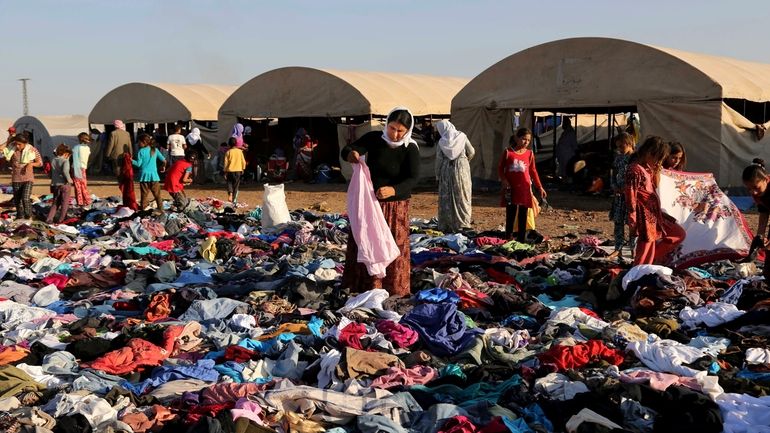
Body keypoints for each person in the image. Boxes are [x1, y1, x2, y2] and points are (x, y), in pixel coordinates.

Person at [341, 107, 420, 296]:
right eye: (392, 128)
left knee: (392, 246)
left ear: (407, 131)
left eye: (400, 130)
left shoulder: (410, 149)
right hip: (370, 205)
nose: (395, 134)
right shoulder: (375, 139)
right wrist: (351, 154)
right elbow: (349, 149)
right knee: (366, 242)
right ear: (387, 125)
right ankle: (364, 288)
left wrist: (394, 189)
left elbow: (413, 178)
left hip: (395, 208)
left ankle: (393, 290)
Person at [625, 136, 686, 265]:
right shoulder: (635, 170)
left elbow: (654, 188)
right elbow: (631, 196)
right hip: (644, 216)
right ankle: (637, 275)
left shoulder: (647, 169)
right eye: (658, 158)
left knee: (653, 247)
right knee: (645, 250)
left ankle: (643, 270)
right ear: (648, 153)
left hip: (652, 215)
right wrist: (633, 219)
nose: (659, 162)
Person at [498, 128, 547, 241]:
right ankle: (508, 237)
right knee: (511, 212)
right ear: (517, 138)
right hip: (511, 188)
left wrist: (540, 187)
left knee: (523, 214)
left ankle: (521, 238)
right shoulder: (508, 152)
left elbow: (533, 171)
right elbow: (500, 168)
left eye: (528, 140)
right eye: (524, 139)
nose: (526, 142)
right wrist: (504, 180)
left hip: (524, 188)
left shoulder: (529, 154)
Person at [434, 119, 475, 232]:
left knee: (447, 197)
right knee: (462, 195)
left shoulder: (442, 142)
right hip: (462, 169)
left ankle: (447, 225)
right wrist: (465, 160)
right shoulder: (462, 136)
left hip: (447, 171)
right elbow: (471, 151)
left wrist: (437, 176)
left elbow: (439, 161)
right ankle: (463, 223)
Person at [0, 135, 43, 220]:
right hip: (16, 178)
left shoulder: (32, 150)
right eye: (16, 144)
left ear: (25, 143)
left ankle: (29, 217)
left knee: (25, 198)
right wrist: (10, 140)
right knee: (17, 201)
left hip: (28, 178)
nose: (17, 146)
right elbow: (1, 148)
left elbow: (40, 163)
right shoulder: (12, 149)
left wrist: (31, 164)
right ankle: (20, 218)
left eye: (19, 144)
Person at [609, 133, 635, 258]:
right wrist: (614, 186)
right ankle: (617, 248)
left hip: (631, 197)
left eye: (621, 146)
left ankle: (633, 249)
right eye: (618, 147)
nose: (619, 149)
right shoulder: (618, 158)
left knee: (632, 224)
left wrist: (628, 189)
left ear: (629, 143)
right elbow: (614, 174)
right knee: (618, 223)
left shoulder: (635, 158)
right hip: (619, 196)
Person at [132, 133, 166, 213]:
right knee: (157, 195)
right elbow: (164, 160)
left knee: (144, 194)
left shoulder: (141, 151)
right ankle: (161, 209)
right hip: (154, 176)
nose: (138, 144)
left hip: (144, 176)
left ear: (143, 142)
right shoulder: (155, 150)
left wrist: (131, 161)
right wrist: (163, 167)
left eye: (139, 142)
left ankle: (144, 208)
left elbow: (138, 164)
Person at [46, 144, 73, 224]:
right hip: (64, 184)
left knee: (55, 203)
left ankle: (49, 219)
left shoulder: (53, 160)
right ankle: (61, 220)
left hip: (55, 184)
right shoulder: (65, 161)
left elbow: (50, 173)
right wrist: (69, 180)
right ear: (66, 153)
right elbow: (65, 171)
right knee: (64, 203)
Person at [223, 137, 246, 203]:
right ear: (236, 144)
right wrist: (243, 168)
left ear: (229, 144)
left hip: (230, 171)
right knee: (236, 185)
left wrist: (225, 171)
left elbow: (226, 163)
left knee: (229, 183)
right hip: (238, 170)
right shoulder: (240, 152)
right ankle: (234, 200)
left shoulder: (228, 152)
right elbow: (243, 161)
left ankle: (230, 193)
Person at [72, 132, 92, 207]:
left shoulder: (76, 147)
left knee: (78, 186)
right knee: (83, 185)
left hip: (76, 167)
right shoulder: (87, 148)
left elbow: (74, 158)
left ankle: (80, 202)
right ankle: (87, 200)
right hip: (83, 168)